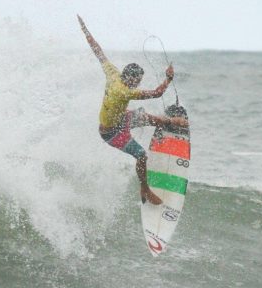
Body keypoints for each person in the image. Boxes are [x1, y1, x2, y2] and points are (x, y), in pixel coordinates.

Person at [78, 15, 188, 205]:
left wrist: (86, 31)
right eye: (137, 82)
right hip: (111, 133)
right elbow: (156, 93)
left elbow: (98, 52)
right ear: (130, 79)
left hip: (121, 119)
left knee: (151, 118)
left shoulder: (113, 74)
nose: (137, 85)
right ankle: (144, 188)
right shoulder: (124, 92)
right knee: (141, 155)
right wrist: (168, 79)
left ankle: (169, 122)